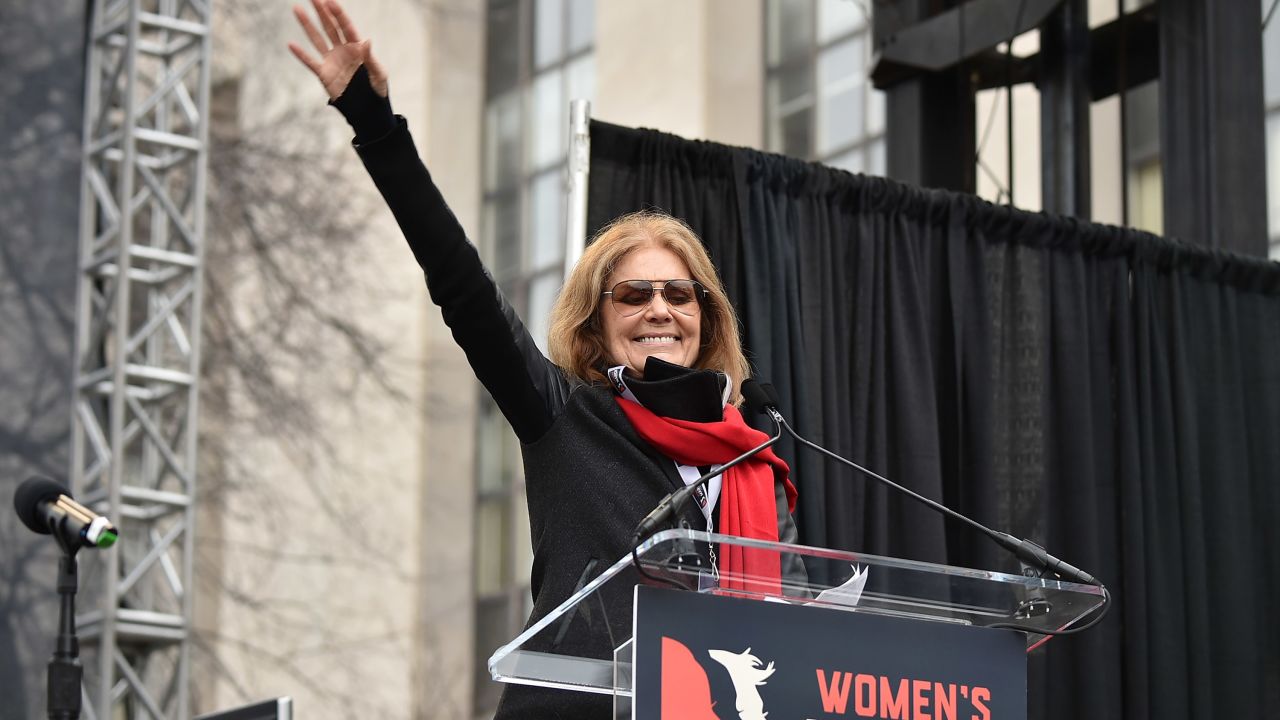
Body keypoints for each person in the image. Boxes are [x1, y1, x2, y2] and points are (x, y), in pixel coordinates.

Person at [288, 2, 802, 716]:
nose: (661, 309)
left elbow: (803, 630)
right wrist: (375, 124)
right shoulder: (565, 416)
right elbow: (464, 291)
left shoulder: (754, 460)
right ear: (597, 325)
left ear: (705, 317)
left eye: (680, 294)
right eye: (634, 294)